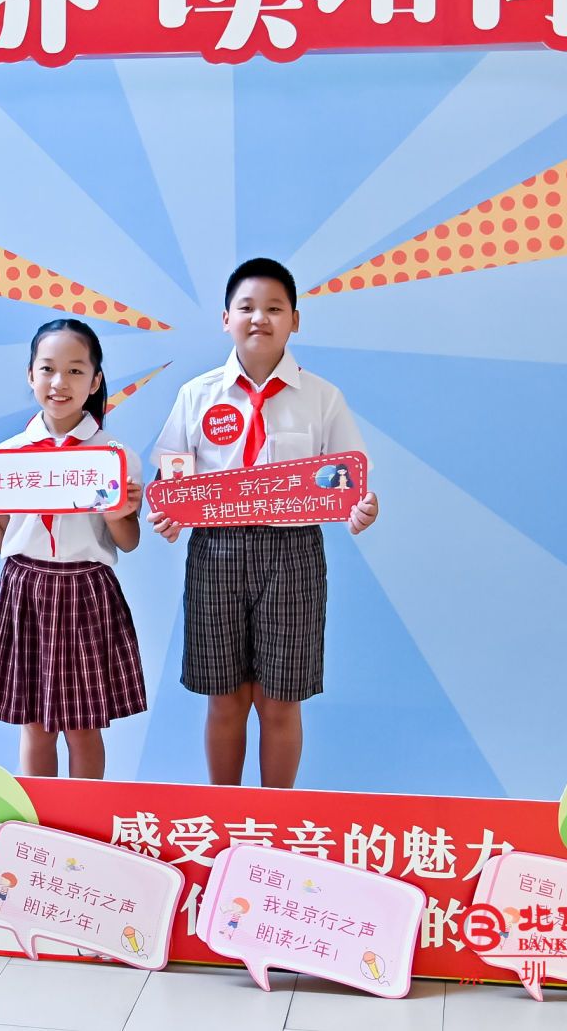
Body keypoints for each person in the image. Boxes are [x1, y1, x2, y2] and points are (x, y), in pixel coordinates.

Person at [150, 258, 380, 788]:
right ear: (225, 319)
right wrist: (167, 515)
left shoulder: (322, 397)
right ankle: (225, 813)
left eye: (275, 308)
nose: (260, 318)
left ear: (294, 320)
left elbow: (353, 482)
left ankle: (274, 818)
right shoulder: (196, 395)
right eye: (247, 307)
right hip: (215, 551)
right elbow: (172, 479)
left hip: (293, 553)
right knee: (224, 698)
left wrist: (363, 510)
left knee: (281, 700)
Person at [0, 319, 148, 780]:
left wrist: (117, 512)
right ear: (30, 375)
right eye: (48, 369)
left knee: (83, 725)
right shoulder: (7, 455)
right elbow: (6, 538)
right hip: (26, 589)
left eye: (76, 371)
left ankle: (84, 819)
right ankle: (39, 820)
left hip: (86, 591)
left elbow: (129, 541)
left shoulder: (114, 455)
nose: (60, 382)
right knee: (35, 724)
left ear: (95, 381)